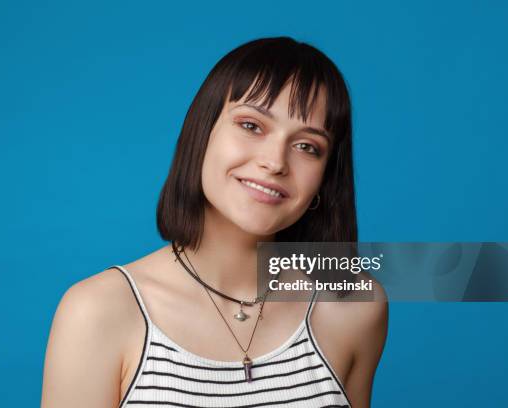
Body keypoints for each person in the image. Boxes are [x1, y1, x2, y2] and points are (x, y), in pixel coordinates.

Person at [41, 37, 388, 408]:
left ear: (324, 180)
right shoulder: (97, 311)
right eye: (251, 126)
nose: (275, 162)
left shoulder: (354, 307)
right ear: (201, 134)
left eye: (307, 146)